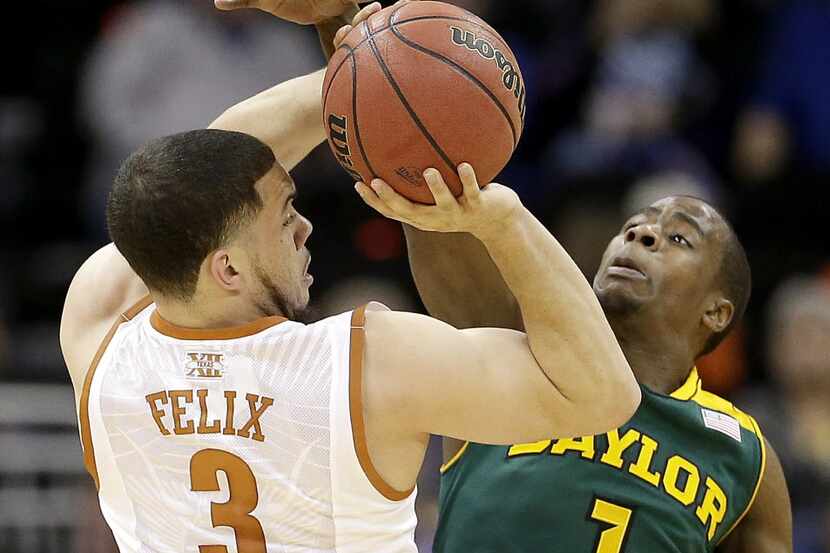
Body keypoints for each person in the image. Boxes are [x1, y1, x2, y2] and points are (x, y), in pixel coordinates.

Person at [59, 2, 640, 552]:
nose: (305, 228)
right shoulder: (363, 365)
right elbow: (602, 395)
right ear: (228, 267)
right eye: (284, 216)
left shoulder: (99, 333)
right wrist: (505, 220)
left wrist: (353, 68)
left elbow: (197, 183)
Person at [403, 197, 792, 552]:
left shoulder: (744, 454)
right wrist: (418, 180)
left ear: (716, 312)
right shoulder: (518, 358)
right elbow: (436, 228)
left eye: (678, 238)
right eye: (630, 229)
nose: (641, 235)